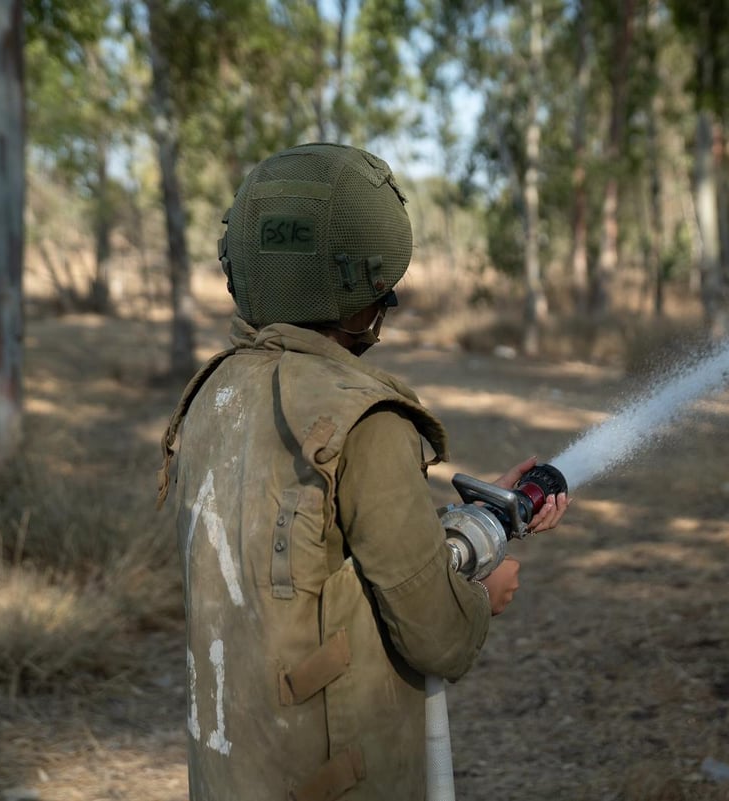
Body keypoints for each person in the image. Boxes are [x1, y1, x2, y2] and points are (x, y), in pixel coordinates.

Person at [156, 143, 569, 801]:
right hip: (332, 778)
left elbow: (317, 554)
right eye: (385, 293)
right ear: (359, 292)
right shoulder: (366, 420)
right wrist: (481, 600)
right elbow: (434, 633)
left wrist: (474, 515)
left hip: (232, 770)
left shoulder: (215, 392)